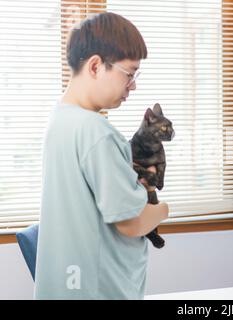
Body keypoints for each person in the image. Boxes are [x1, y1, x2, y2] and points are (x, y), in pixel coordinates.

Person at [34, 12, 169, 299]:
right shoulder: (98, 133)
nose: (133, 86)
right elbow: (132, 222)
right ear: (96, 66)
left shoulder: (60, 120)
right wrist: (163, 210)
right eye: (129, 74)